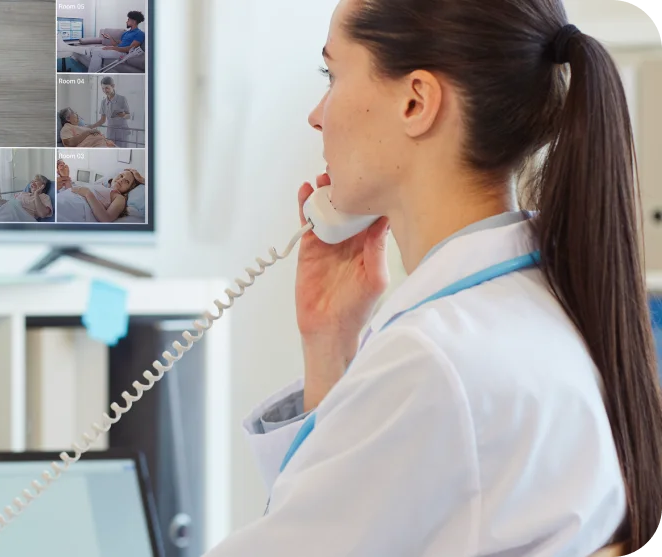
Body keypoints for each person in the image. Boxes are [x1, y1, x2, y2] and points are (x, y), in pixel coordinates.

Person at [205, 0, 662, 556]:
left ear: (416, 101)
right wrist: (330, 344)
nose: (317, 114)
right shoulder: (544, 306)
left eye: (332, 75)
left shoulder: (431, 362)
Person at [69, 168, 143, 223]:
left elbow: (106, 219)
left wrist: (88, 193)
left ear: (129, 189)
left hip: (76, 207)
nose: (121, 180)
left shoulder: (119, 197)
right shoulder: (101, 185)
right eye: (121, 176)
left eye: (126, 181)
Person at [93, 77, 132, 146]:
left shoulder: (122, 99)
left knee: (122, 150)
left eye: (107, 88)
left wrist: (123, 115)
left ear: (113, 86)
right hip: (111, 131)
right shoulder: (103, 102)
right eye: (103, 88)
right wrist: (91, 126)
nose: (105, 90)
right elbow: (102, 120)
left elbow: (128, 116)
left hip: (122, 131)